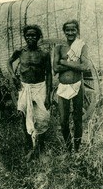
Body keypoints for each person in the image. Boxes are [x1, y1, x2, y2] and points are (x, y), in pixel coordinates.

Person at [7, 25, 52, 158]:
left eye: (33, 35)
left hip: (40, 87)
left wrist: (48, 96)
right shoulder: (20, 52)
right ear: (25, 37)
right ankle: (29, 146)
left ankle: (40, 148)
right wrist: (13, 77)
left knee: (42, 117)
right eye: (28, 35)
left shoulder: (44, 53)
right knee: (24, 115)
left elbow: (49, 74)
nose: (30, 38)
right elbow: (9, 62)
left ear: (38, 37)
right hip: (24, 88)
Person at [53, 19, 90, 152]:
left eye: (73, 29)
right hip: (63, 87)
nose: (70, 32)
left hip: (77, 86)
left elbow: (85, 66)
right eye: (67, 30)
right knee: (63, 121)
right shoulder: (59, 48)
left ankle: (77, 149)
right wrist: (75, 65)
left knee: (77, 119)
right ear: (64, 32)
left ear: (77, 31)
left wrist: (64, 62)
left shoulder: (82, 46)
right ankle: (69, 149)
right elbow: (55, 68)